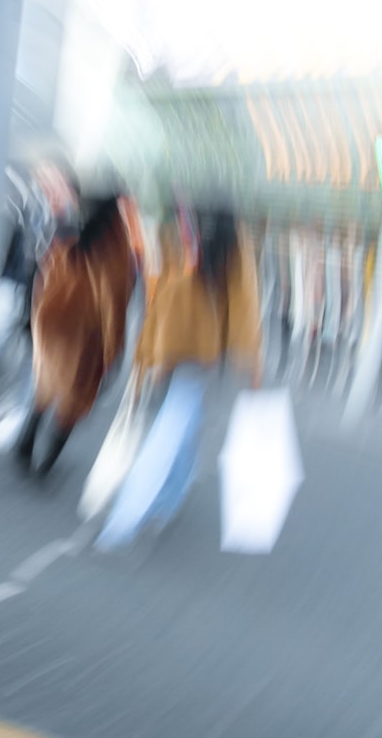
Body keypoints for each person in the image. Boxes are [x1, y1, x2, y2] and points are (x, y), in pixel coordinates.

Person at [93, 204, 263, 551]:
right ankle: (164, 498)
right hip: (190, 349)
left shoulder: (198, 235)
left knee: (174, 421)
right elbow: (239, 301)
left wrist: (147, 353)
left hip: (184, 347)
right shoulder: (202, 238)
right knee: (182, 420)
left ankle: (131, 512)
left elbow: (237, 301)